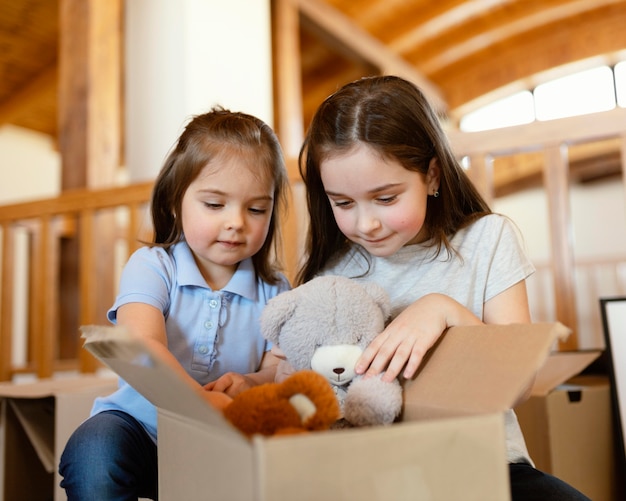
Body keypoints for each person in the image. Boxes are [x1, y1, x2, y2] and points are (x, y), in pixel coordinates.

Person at [294, 75, 591, 501]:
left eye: (386, 198)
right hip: (375, 476)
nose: (365, 223)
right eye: (343, 203)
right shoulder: (332, 275)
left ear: (432, 175)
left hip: (487, 466)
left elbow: (520, 385)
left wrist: (443, 309)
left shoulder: (488, 239)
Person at [59, 106, 290, 500]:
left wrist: (251, 382)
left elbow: (281, 367)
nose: (236, 222)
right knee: (93, 453)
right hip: (139, 427)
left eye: (256, 209)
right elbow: (142, 346)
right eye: (215, 205)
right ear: (174, 202)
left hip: (224, 442)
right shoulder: (153, 266)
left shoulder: (275, 288)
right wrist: (199, 401)